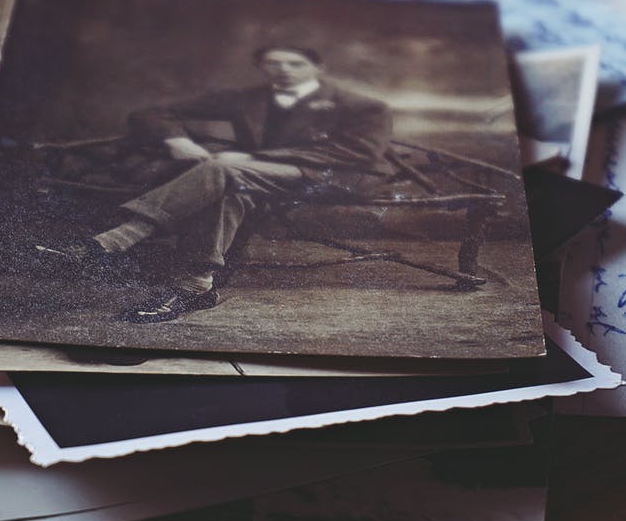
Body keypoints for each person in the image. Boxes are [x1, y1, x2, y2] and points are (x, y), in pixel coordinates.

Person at [37, 45, 394, 323]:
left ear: (318, 68)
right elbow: (152, 113)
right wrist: (178, 141)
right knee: (229, 189)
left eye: (294, 63)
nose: (283, 70)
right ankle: (194, 287)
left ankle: (113, 241)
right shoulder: (248, 99)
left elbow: (358, 153)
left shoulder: (361, 105)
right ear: (261, 67)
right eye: (273, 63)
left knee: (224, 171)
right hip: (253, 179)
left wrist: (256, 159)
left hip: (332, 179)